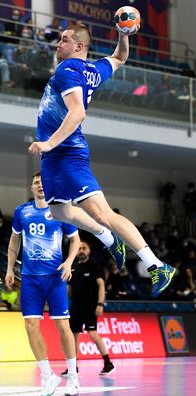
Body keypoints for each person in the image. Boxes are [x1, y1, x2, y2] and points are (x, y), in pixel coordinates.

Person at [27, 23, 176, 297]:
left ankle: (156, 265)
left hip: (68, 153)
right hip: (54, 157)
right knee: (59, 210)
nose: (58, 44)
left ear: (79, 47)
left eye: (64, 40)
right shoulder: (94, 70)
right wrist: (123, 34)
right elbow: (120, 57)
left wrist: (49, 142)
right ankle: (109, 240)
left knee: (103, 214)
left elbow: (77, 113)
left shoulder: (68, 69)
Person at [5, 172, 81, 396]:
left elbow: (76, 240)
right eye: (36, 183)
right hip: (30, 278)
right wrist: (9, 268)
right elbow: (14, 240)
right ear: (31, 187)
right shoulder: (22, 212)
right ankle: (48, 376)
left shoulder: (59, 211)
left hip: (55, 278)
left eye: (43, 183)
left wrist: (68, 262)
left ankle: (74, 378)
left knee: (63, 327)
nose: (40, 186)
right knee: (30, 325)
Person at [63, 240, 115, 376]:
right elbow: (70, 288)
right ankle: (73, 367)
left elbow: (101, 286)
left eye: (84, 248)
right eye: (79, 248)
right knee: (73, 335)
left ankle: (108, 363)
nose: (81, 250)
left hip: (90, 306)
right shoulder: (73, 267)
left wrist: (100, 304)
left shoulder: (95, 267)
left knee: (93, 334)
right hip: (76, 306)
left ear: (89, 250)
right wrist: (63, 303)